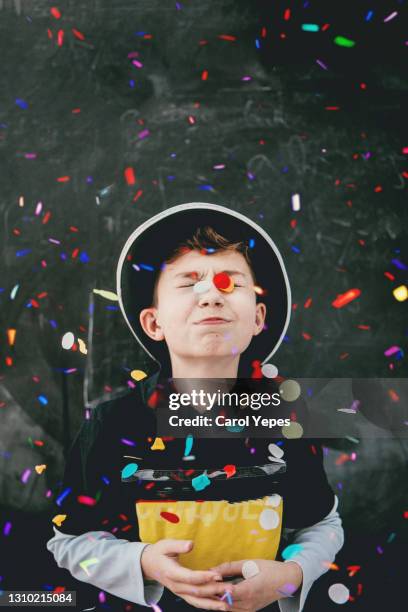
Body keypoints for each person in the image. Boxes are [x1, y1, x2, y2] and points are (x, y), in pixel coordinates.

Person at [47, 203, 344, 611]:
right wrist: (143, 562)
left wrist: (292, 575)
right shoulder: (112, 423)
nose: (211, 295)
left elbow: (322, 524)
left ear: (258, 317)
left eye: (230, 284)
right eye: (189, 283)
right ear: (154, 324)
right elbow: (68, 541)